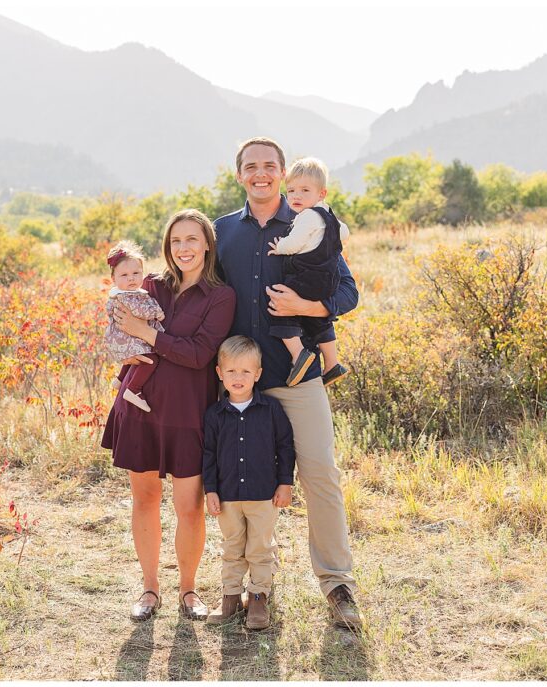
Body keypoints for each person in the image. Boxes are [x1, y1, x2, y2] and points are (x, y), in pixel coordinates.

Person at [214, 137, 363, 631]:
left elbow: (347, 291)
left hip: (300, 377)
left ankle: (337, 584)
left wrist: (306, 308)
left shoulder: (312, 220)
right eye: (250, 166)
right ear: (239, 175)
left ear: (282, 173)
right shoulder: (221, 233)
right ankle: (257, 590)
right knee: (247, 487)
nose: (261, 173)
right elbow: (197, 290)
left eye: (269, 166)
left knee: (320, 472)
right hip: (241, 387)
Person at [101, 209, 236, 622]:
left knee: (189, 507)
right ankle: (149, 588)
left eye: (192, 239)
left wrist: (150, 336)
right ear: (167, 246)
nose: (183, 249)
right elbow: (119, 329)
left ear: (207, 244)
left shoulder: (220, 296)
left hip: (189, 413)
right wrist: (144, 342)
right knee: (144, 499)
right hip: (140, 404)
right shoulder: (149, 287)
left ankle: (189, 590)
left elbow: (199, 355)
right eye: (176, 241)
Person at [202, 336, 294, 630]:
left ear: (258, 374)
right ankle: (230, 597)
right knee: (232, 546)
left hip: (263, 494)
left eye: (245, 372)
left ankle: (257, 597)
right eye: (231, 371)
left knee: (259, 548)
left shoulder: (270, 409)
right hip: (228, 495)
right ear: (219, 373)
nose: (238, 378)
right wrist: (211, 489)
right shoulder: (215, 415)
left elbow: (285, 447)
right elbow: (209, 455)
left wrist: (285, 483)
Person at [266, 157, 351, 387]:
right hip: (327, 280)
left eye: (305, 190)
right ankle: (332, 363)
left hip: (307, 277)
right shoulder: (328, 216)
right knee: (319, 320)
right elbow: (344, 233)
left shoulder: (307, 216)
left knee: (281, 309)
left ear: (321, 193)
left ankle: (298, 354)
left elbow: (293, 244)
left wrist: (279, 247)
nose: (296, 196)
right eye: (291, 190)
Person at [104, 240, 165, 412]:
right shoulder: (126, 296)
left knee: (136, 354)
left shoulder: (131, 292)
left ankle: (120, 378)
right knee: (151, 359)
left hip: (127, 335)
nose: (131, 278)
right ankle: (133, 389)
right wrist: (156, 313)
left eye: (136, 273)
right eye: (124, 275)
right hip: (126, 335)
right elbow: (139, 311)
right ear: (113, 279)